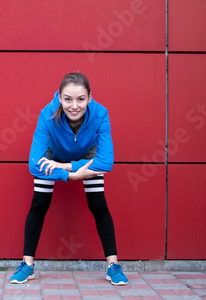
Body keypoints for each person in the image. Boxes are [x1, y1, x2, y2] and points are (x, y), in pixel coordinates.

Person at [10, 72, 128, 286]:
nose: (74, 105)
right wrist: (71, 175)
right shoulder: (47, 115)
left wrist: (68, 168)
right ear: (60, 97)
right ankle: (27, 265)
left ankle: (113, 266)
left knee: (98, 203)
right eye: (68, 99)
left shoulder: (101, 114)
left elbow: (105, 162)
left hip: (84, 157)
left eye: (80, 99)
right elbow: (35, 163)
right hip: (52, 156)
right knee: (39, 203)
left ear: (89, 97)